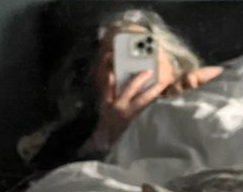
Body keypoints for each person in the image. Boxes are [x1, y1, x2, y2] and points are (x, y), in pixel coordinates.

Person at [22, 9, 223, 169]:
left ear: (175, 66)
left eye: (144, 57)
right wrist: (111, 142)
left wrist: (227, 79)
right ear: (94, 77)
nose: (131, 73)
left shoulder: (207, 92)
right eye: (112, 64)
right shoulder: (72, 137)